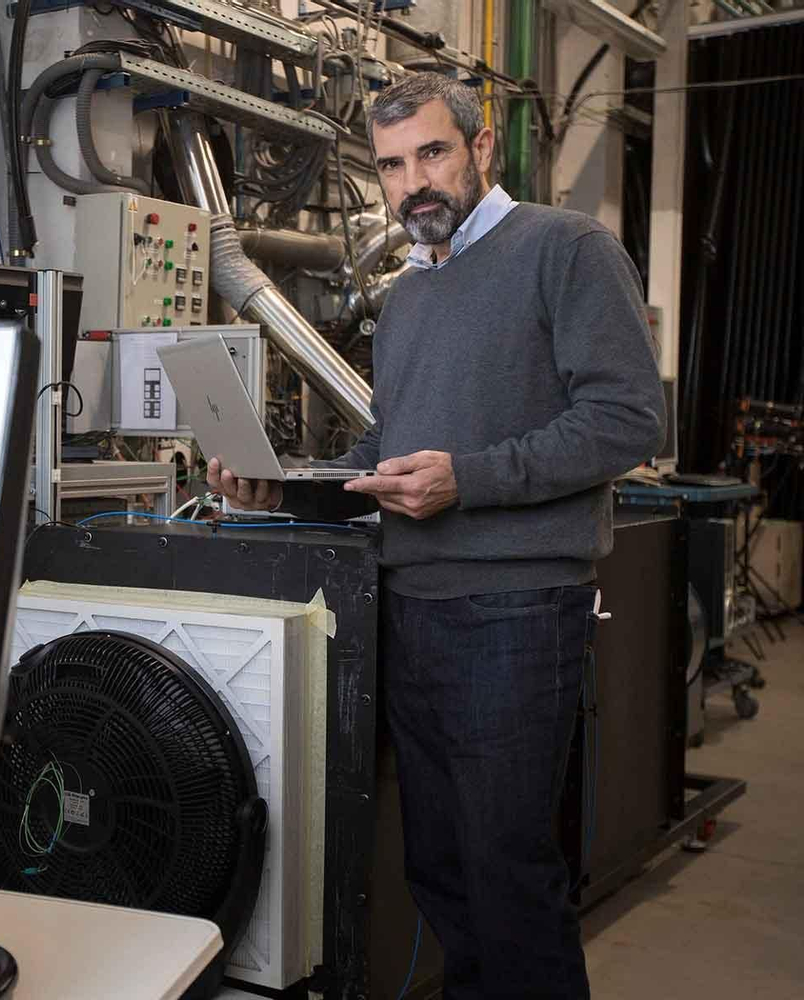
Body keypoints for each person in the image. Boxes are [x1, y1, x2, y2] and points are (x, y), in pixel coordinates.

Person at [208, 71, 664, 998]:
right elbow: (387, 455)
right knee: (442, 874)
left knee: (507, 878)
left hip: (515, 611)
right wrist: (280, 493)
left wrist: (470, 477)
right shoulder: (407, 297)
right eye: (389, 165)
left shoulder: (566, 248)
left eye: (431, 153)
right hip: (410, 610)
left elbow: (627, 420)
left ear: (481, 148)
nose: (411, 182)